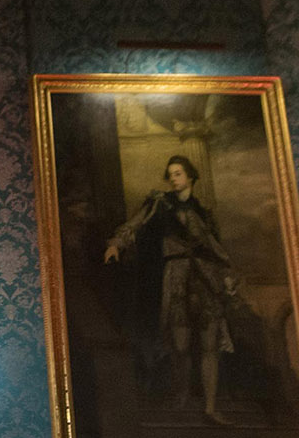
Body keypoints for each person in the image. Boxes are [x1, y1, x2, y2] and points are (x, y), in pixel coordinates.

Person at [101, 154, 238, 424]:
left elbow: (217, 250)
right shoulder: (159, 203)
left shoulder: (204, 213)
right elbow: (136, 223)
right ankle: (181, 398)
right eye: (170, 174)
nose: (173, 179)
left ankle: (210, 408)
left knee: (210, 345)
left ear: (190, 177)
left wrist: (226, 277)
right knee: (180, 344)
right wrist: (116, 244)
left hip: (205, 278)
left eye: (178, 174)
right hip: (176, 276)